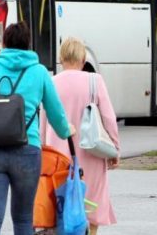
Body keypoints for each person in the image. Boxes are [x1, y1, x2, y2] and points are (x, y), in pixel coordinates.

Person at [0, 22, 72, 235]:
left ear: (4, 43)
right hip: (27, 151)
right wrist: (67, 131)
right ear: (28, 44)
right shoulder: (39, 72)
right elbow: (55, 112)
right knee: (23, 219)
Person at [42, 37, 120, 234]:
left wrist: (42, 150)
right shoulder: (95, 81)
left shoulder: (51, 83)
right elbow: (109, 118)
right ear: (83, 59)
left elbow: (43, 120)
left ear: (61, 59)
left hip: (57, 155)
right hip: (91, 152)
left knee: (61, 204)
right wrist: (115, 150)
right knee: (92, 203)